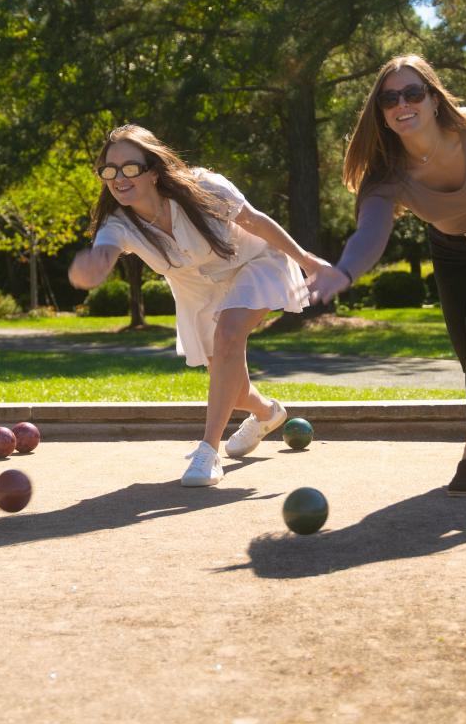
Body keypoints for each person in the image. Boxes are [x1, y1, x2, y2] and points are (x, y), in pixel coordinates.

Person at [309, 55, 466, 496]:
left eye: (413, 93)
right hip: (452, 247)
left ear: (435, 99)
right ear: (380, 113)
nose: (402, 103)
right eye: (389, 98)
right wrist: (344, 270)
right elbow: (369, 233)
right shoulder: (387, 174)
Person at [68, 125, 331, 487]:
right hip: (199, 294)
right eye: (109, 170)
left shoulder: (204, 187)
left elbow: (256, 221)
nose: (118, 178)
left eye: (130, 168)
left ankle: (208, 451)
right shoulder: (119, 222)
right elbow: (105, 251)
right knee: (234, 391)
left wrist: (307, 261)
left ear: (154, 172)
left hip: (253, 264)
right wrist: (94, 266)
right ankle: (269, 412)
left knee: (228, 336)